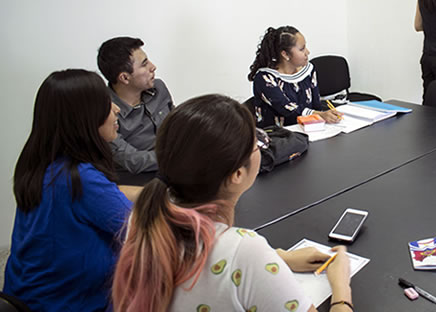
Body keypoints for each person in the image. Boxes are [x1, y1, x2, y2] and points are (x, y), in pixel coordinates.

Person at [112, 94, 353, 312]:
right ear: (237, 174)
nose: (262, 145)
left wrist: (279, 257)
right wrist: (341, 285)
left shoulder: (145, 217)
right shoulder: (244, 252)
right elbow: (229, 263)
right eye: (257, 142)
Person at [4, 69, 139, 312]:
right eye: (106, 104)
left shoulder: (45, 166)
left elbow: (109, 193)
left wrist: (158, 190)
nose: (116, 109)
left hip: (29, 299)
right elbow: (143, 230)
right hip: (71, 304)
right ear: (84, 117)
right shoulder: (81, 179)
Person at [97, 36, 174, 177]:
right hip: (137, 178)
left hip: (171, 166)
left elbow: (177, 122)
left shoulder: (158, 88)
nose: (153, 67)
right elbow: (132, 161)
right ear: (125, 78)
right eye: (144, 64)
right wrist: (178, 158)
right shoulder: (104, 111)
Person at [248, 26, 342, 128]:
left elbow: (316, 105)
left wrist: (326, 115)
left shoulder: (308, 70)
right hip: (280, 135)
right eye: (302, 49)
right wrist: (320, 115)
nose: (308, 52)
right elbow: (286, 108)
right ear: (285, 54)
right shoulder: (265, 78)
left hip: (309, 130)